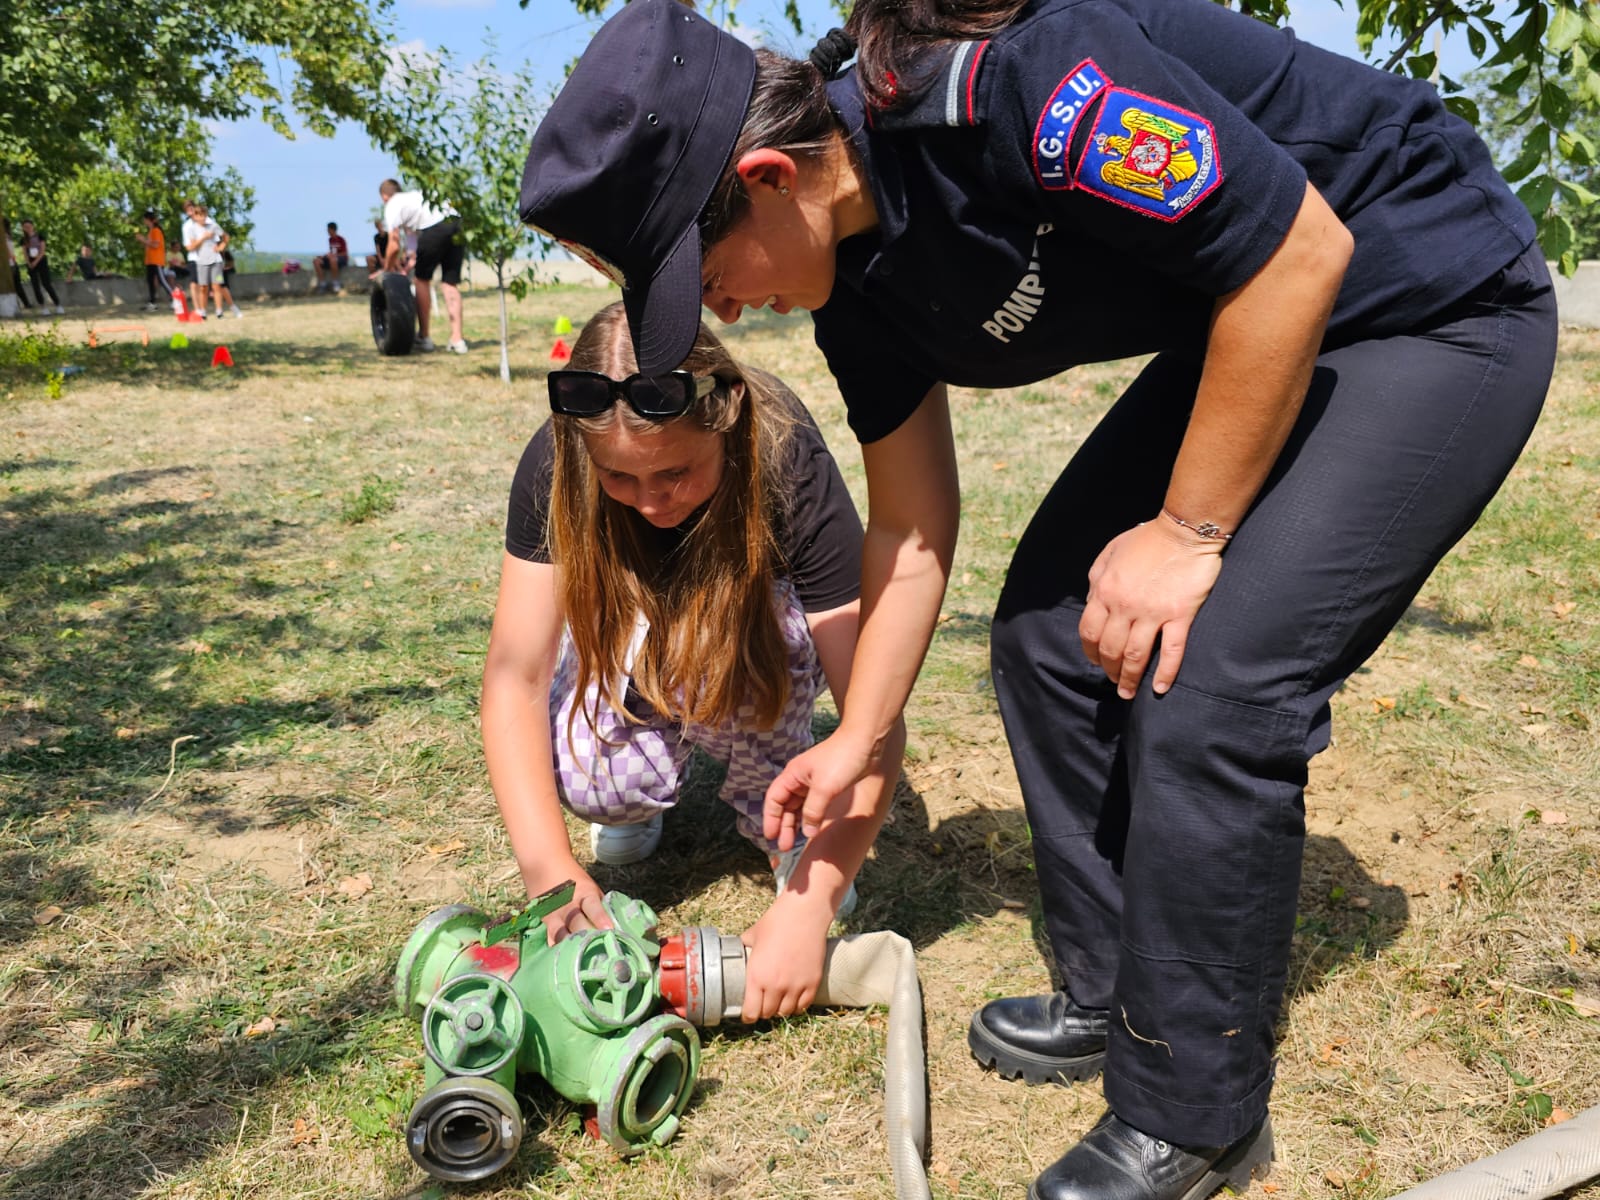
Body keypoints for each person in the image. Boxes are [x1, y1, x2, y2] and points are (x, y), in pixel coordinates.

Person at [518, 2, 1558, 1198]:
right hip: (1261, 319)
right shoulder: (853, 281)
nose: (724, 314)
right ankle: (1119, 984)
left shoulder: (1019, 90)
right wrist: (857, 736)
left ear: (768, 176)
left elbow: (1301, 255)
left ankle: (1195, 1112)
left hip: (1422, 298)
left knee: (1210, 683)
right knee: (1046, 634)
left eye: (707, 275)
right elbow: (911, 524)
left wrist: (1185, 533)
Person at [482, 300, 900, 1019]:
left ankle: (774, 812)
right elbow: (513, 679)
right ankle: (640, 780)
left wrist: (812, 903)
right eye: (619, 478)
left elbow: (875, 709)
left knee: (726, 658)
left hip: (746, 632)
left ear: (725, 415)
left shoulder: (785, 455)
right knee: (590, 776)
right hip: (634, 636)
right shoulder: (557, 459)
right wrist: (550, 872)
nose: (649, 501)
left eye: (675, 472)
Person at [378, 179, 466, 354]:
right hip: (457, 223)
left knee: (421, 281)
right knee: (449, 283)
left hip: (435, 227)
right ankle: (457, 340)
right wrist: (409, 263)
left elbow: (393, 245)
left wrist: (386, 271)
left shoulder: (392, 205)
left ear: (384, 197)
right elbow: (413, 246)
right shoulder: (414, 199)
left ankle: (424, 337)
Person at [188, 204, 242, 320]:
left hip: (216, 261)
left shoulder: (213, 226)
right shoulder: (192, 229)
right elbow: (192, 246)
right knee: (203, 287)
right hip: (201, 262)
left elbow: (225, 236)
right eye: (200, 215)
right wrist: (203, 238)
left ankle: (219, 312)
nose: (202, 218)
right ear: (195, 216)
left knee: (217, 286)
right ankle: (203, 312)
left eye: (204, 215)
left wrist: (221, 246)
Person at [18, 220, 64, 315]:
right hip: (31, 263)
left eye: (29, 226)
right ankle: (43, 307)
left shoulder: (40, 236)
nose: (27, 228)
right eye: (25, 227)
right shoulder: (23, 239)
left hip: (41, 261)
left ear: (32, 226)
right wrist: (29, 263)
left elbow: (42, 251)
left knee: (46, 284)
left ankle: (58, 304)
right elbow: (25, 253)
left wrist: (36, 261)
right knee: (35, 285)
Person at [136, 210, 167, 310]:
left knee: (162, 281)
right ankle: (152, 302)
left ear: (149, 220)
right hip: (150, 261)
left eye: (145, 220)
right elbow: (149, 244)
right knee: (150, 281)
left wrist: (143, 240)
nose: (144, 222)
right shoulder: (150, 232)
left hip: (156, 260)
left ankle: (176, 298)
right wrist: (143, 242)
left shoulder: (156, 231)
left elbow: (156, 245)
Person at [312, 221, 349, 293]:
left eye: (328, 230)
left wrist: (333, 255)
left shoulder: (341, 239)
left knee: (333, 259)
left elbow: (345, 253)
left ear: (333, 230)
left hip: (341, 259)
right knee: (316, 261)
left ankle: (335, 283)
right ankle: (322, 284)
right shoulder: (330, 240)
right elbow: (332, 252)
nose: (327, 231)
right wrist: (323, 256)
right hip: (332, 258)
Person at [4, 219, 32, 311]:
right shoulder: (8, 236)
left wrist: (11, 258)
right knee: (17, 286)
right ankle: (25, 303)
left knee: (11, 286)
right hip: (12, 263)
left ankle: (18, 305)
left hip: (9, 265)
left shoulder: (4, 237)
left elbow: (7, 252)